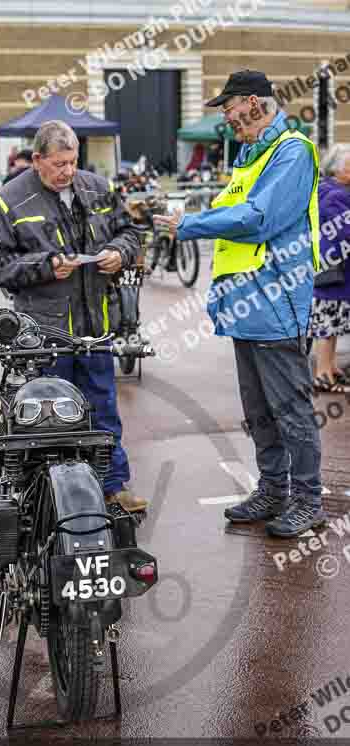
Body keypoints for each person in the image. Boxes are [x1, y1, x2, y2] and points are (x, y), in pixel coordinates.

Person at [155, 70, 325, 538]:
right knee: (259, 412)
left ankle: (308, 499)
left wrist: (190, 223)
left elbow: (258, 219)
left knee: (290, 410)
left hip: (278, 302)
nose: (226, 118)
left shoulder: (291, 150)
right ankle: (274, 489)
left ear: (254, 102)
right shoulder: (252, 154)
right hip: (248, 307)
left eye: (229, 108)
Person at [0, 119, 147, 513]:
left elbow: (129, 231)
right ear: (36, 159)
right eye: (59, 164)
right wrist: (45, 267)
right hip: (44, 335)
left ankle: (112, 485)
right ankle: (47, 496)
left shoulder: (97, 188)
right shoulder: (8, 200)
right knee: (49, 417)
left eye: (72, 162)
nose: (68, 171)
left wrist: (120, 252)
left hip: (95, 329)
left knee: (103, 407)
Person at [309, 144, 350, 392]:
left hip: (333, 269)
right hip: (333, 272)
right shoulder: (336, 195)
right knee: (328, 326)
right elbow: (344, 231)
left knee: (332, 325)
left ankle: (330, 367)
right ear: (338, 169)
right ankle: (323, 374)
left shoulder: (332, 191)